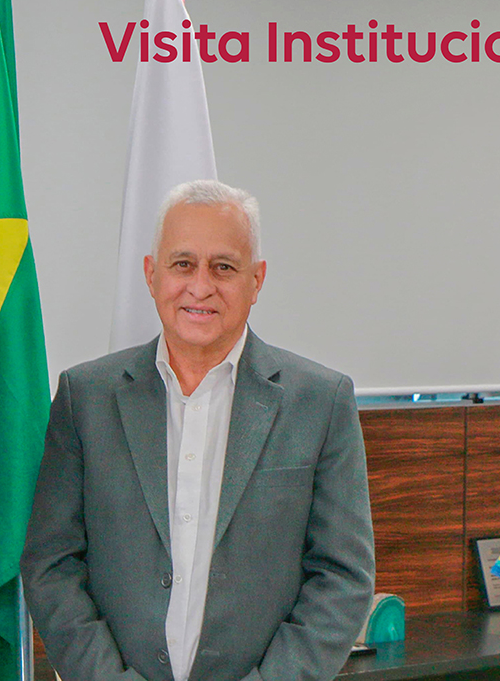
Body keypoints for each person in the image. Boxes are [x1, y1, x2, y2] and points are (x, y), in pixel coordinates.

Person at [21, 180, 374, 681]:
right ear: (151, 274)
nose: (200, 286)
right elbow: (52, 565)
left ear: (257, 280)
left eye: (223, 267)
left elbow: (342, 578)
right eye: (182, 264)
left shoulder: (321, 402)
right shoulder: (86, 397)